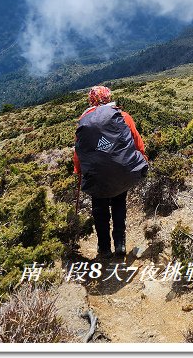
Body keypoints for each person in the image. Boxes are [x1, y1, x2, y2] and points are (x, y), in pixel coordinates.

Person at [74, 85, 148, 258]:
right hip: (120, 169)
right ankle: (120, 244)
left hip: (97, 174)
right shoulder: (123, 117)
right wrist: (141, 159)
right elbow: (137, 143)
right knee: (119, 204)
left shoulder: (85, 121)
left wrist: (79, 170)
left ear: (91, 100)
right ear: (108, 98)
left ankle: (104, 247)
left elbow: (79, 151)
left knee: (99, 209)